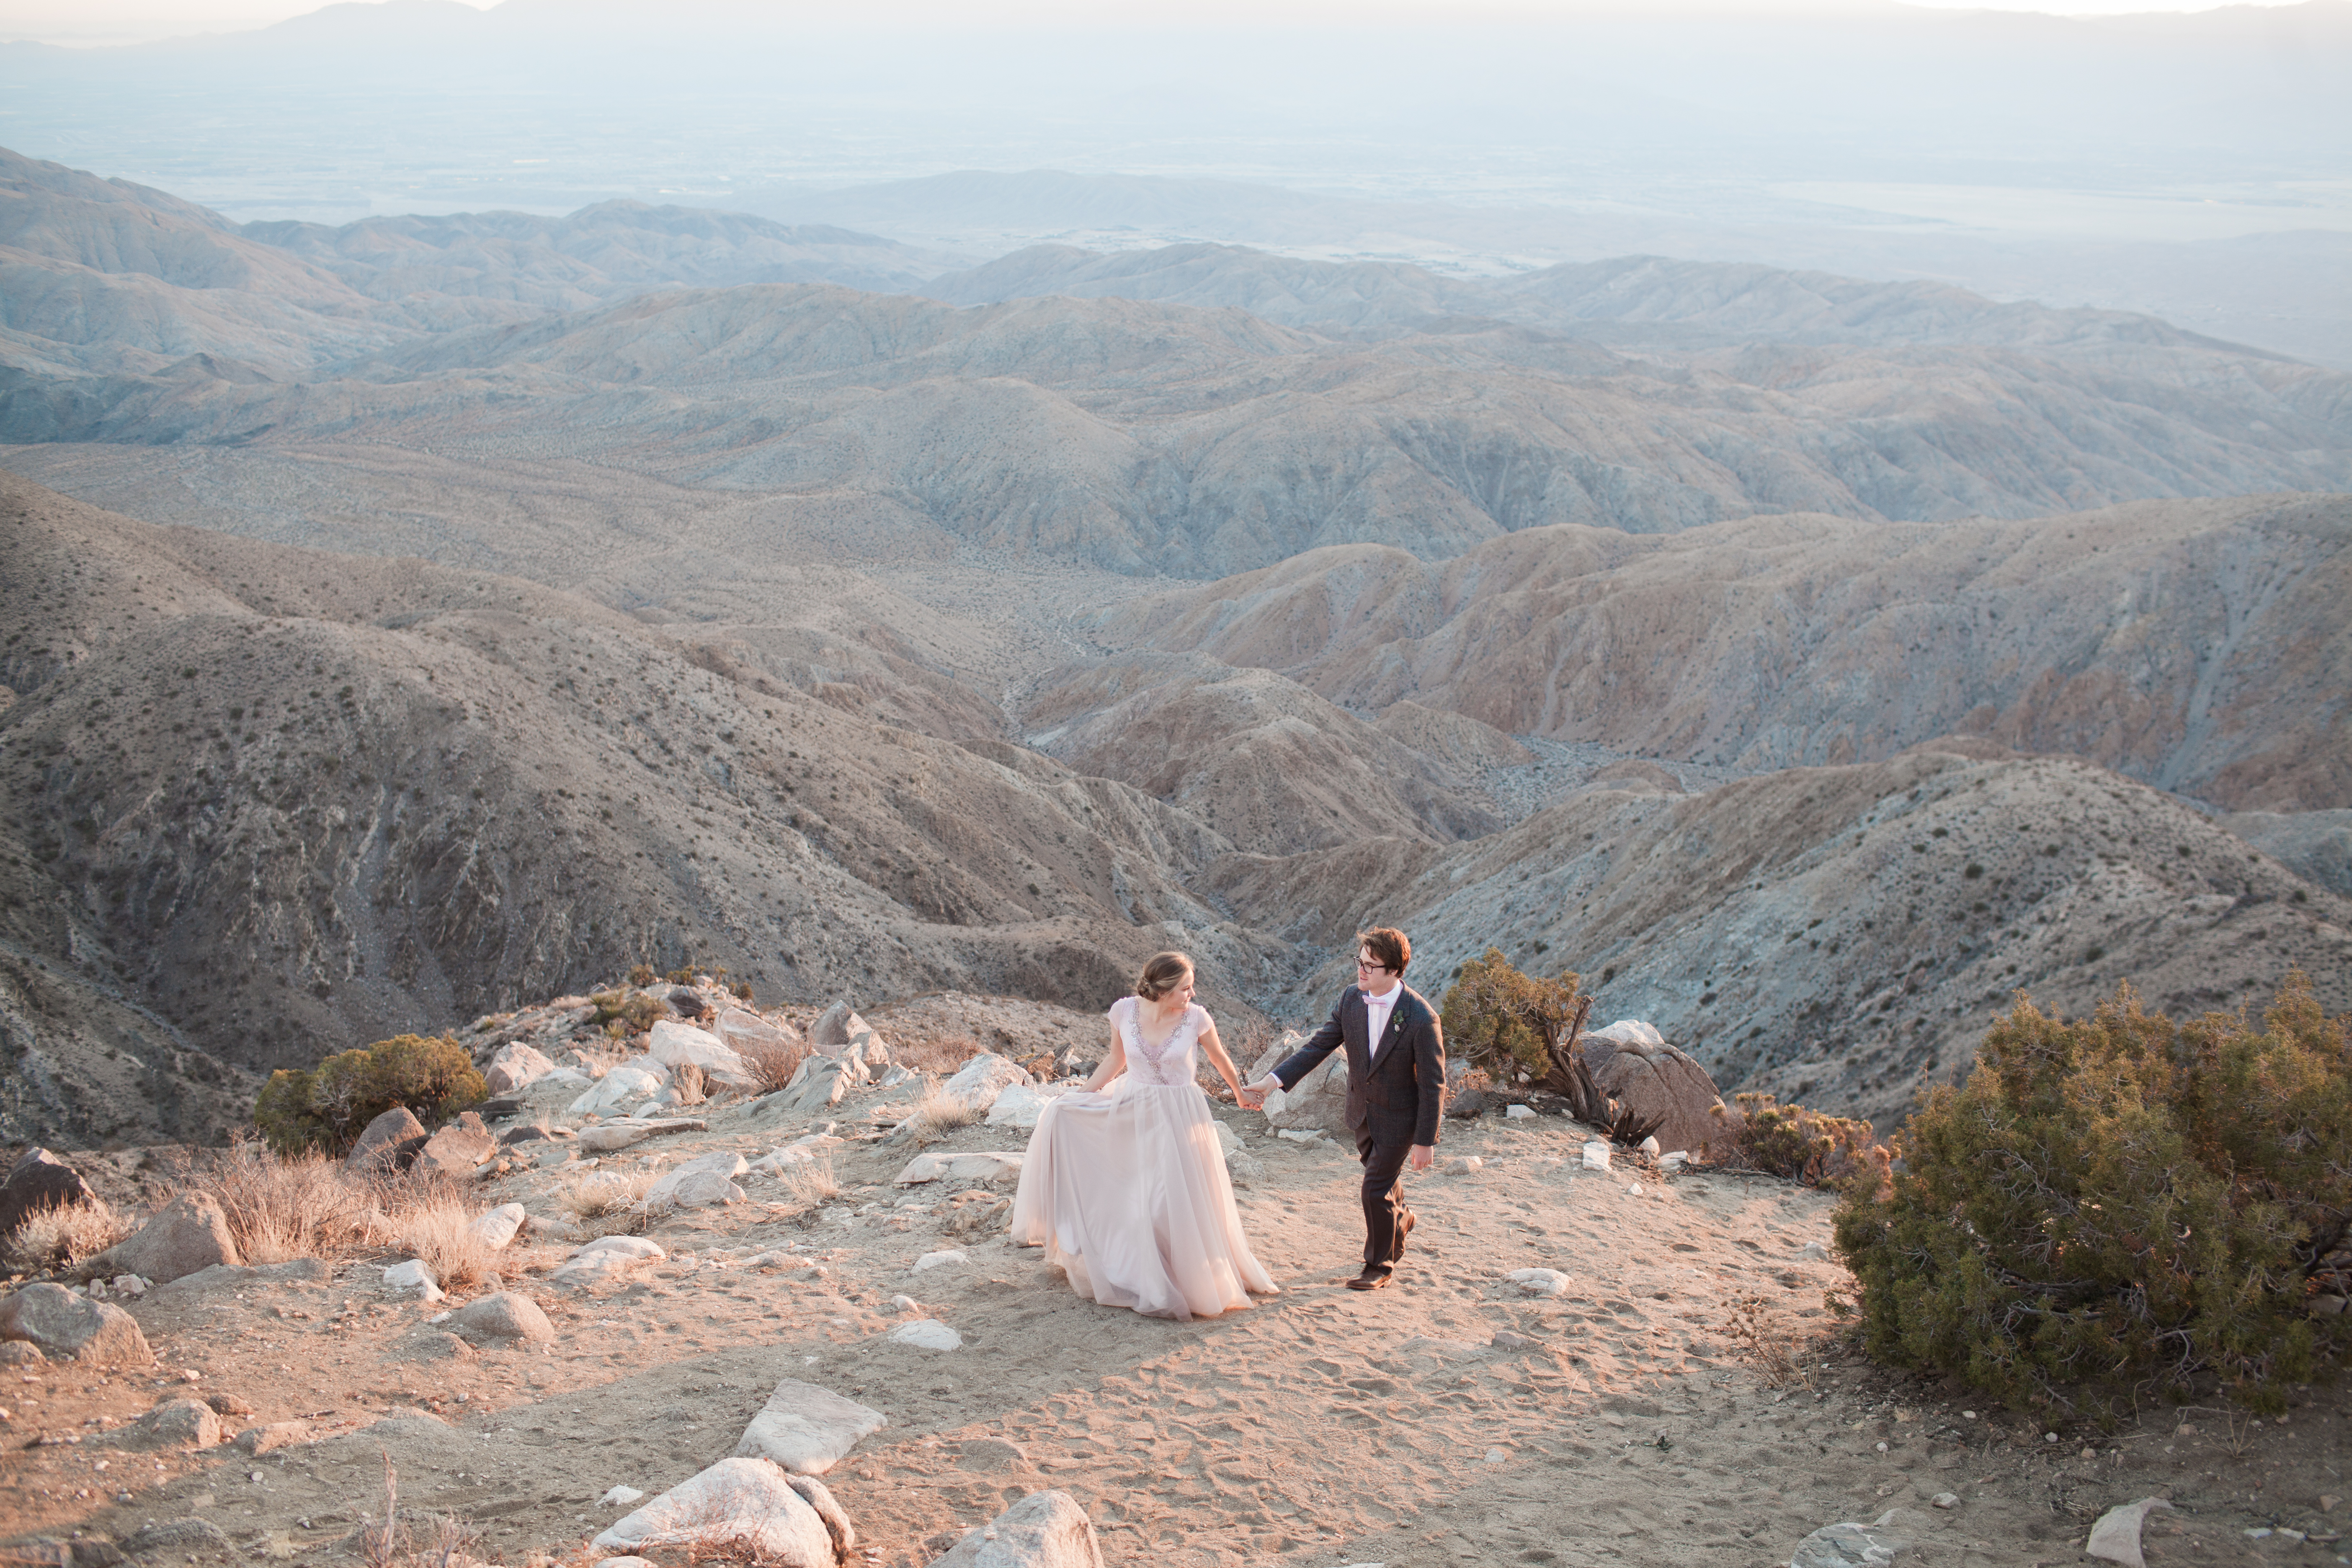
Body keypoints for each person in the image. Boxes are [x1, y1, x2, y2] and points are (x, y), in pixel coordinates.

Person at [1009, 951, 1277, 1320]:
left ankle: (1185, 1278)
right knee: (1137, 1191)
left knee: (1170, 1197)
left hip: (1180, 1114)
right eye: (1186, 988)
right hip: (1133, 1108)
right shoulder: (1123, 1011)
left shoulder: (1197, 1018)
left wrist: (1240, 1093)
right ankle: (1141, 1274)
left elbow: (1219, 1059)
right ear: (1163, 990)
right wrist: (1082, 1096)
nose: (1192, 994)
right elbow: (1115, 1060)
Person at [1240, 926, 1442, 1291]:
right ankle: (1402, 1219)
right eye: (1359, 962)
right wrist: (1270, 1083)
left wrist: (1425, 1141)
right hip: (1361, 1112)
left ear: (1395, 970)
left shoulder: (1421, 1018)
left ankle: (1379, 1267)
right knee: (1382, 1181)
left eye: (1370, 966)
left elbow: (1433, 1084)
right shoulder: (1351, 999)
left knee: (1374, 1189)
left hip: (1401, 1118)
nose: (1360, 971)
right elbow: (1317, 1047)